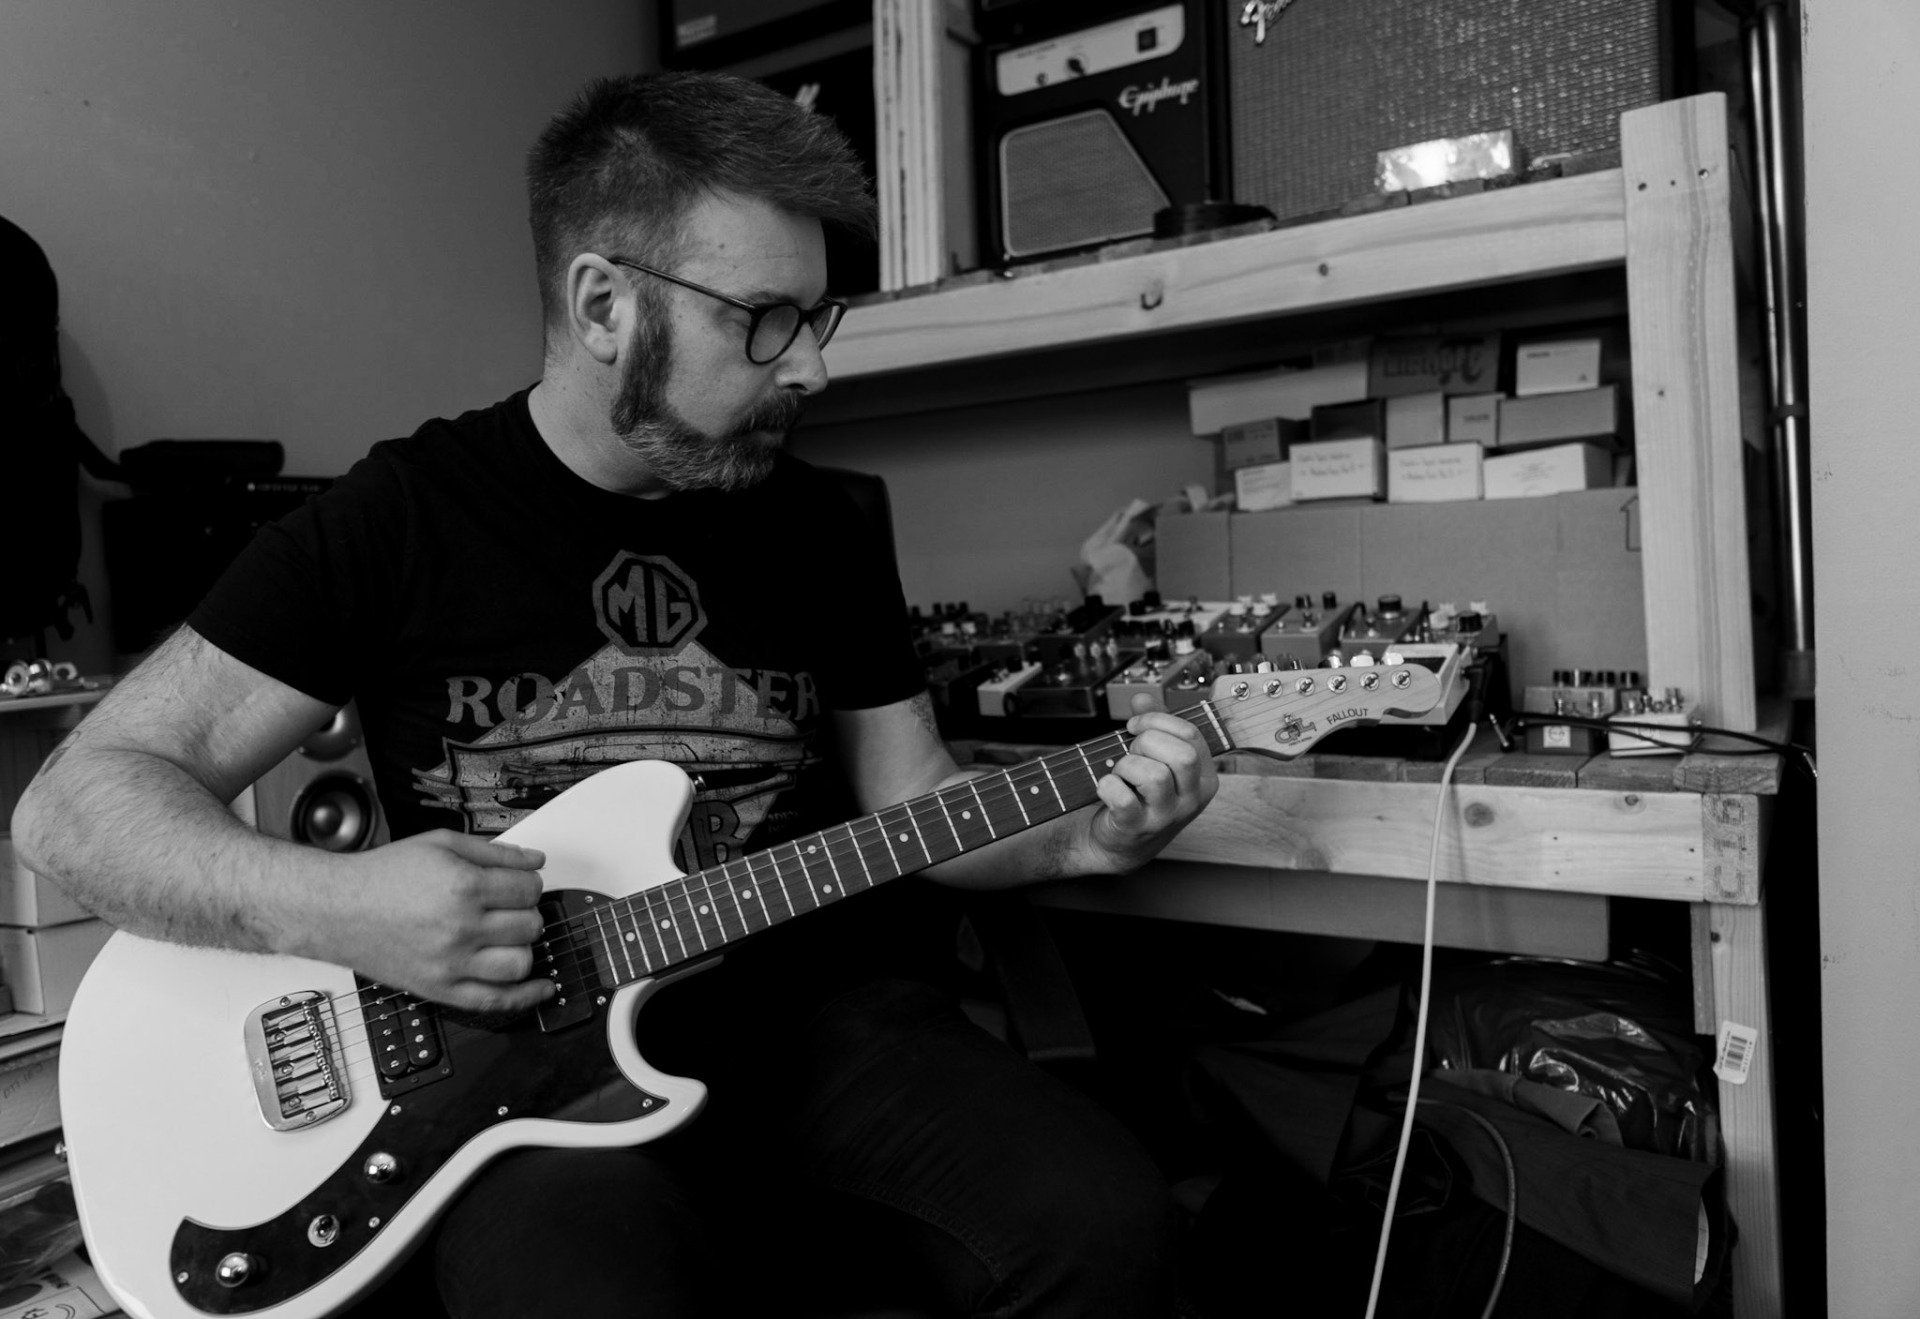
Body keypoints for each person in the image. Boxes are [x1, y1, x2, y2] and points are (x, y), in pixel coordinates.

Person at [11, 71, 1218, 1318]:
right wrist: (336, 903)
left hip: (816, 1024)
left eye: (817, 316)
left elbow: (914, 798)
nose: (806, 367)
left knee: (1113, 1234)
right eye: (762, 318)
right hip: (516, 1072)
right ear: (603, 305)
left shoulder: (821, 524)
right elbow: (71, 809)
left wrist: (1087, 830)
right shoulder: (399, 519)